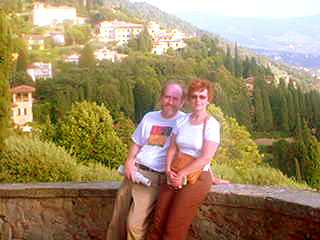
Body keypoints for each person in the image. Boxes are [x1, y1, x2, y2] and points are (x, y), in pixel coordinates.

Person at [146, 79, 228, 240]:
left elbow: (206, 157)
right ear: (189, 99)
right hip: (174, 173)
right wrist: (168, 169)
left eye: (202, 97)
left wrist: (182, 174)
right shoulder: (182, 120)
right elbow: (172, 148)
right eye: (194, 96)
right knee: (157, 221)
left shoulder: (211, 125)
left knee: (174, 226)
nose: (198, 100)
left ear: (208, 100)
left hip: (196, 178)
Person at [106, 83, 185, 240]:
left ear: (182, 102)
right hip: (133, 172)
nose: (170, 101)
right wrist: (129, 163)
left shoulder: (183, 122)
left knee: (134, 225)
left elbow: (195, 149)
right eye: (167, 97)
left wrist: (209, 174)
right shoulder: (150, 117)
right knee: (117, 221)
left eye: (175, 99)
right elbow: (137, 143)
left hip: (153, 178)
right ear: (161, 98)